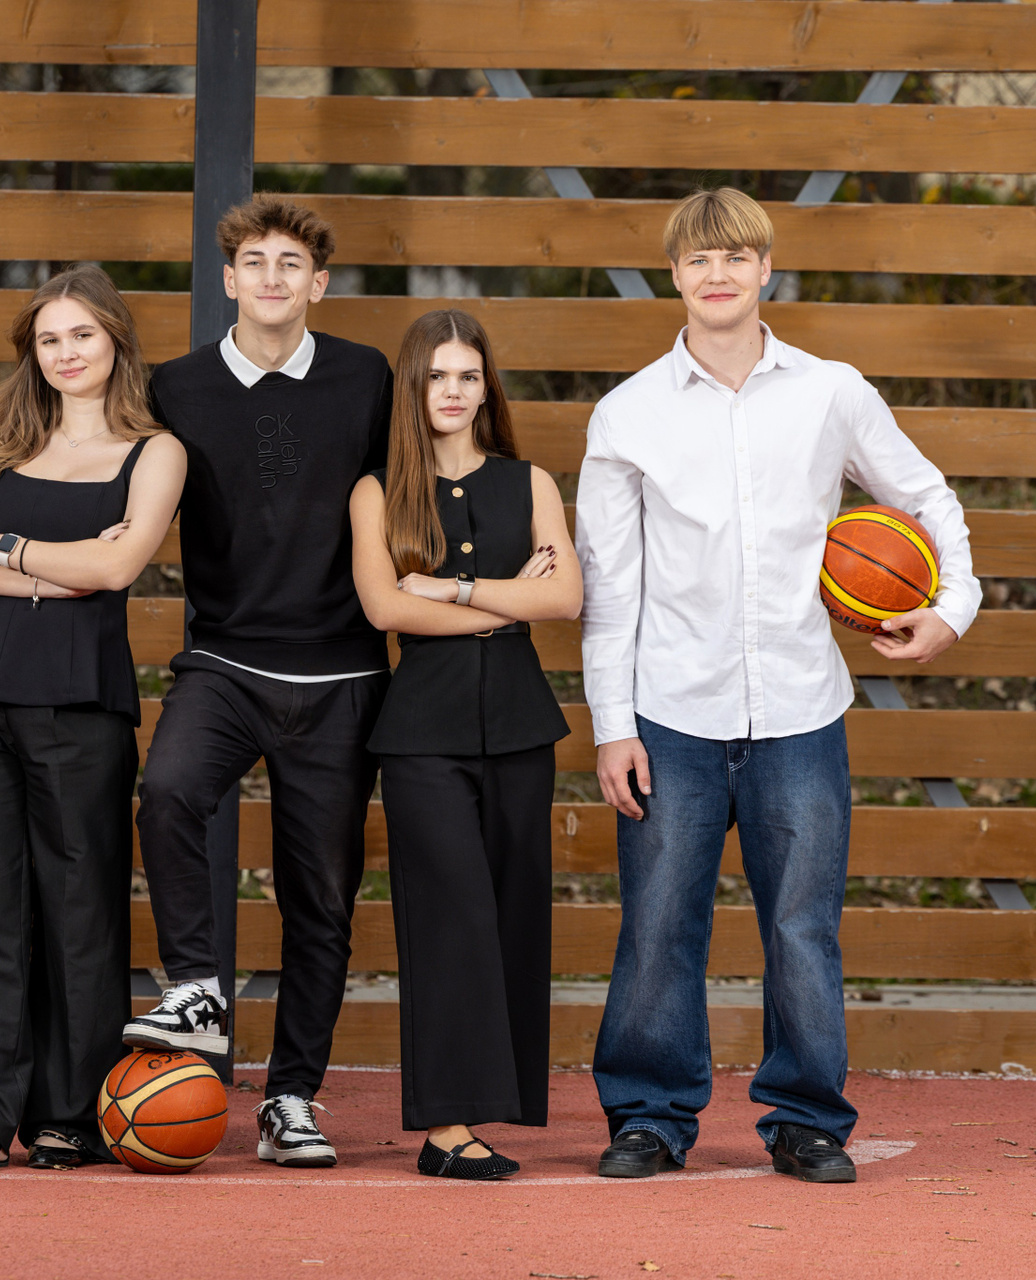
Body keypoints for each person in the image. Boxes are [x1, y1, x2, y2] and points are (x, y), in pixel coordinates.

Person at [577, 188, 979, 1183]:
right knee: (658, 925)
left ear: (766, 268)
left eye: (736, 257)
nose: (717, 273)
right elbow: (611, 588)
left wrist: (953, 606)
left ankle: (806, 1118)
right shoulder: (627, 414)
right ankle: (649, 1117)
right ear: (675, 275)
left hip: (800, 709)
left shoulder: (832, 392)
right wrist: (612, 725)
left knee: (802, 928)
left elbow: (924, 494)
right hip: (670, 712)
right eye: (698, 259)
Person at [122, 195, 394, 1168]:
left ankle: (291, 1099)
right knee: (167, 789)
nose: (273, 278)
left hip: (344, 669)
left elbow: (409, 492)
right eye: (256, 262)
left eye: (292, 264)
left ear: (317, 282)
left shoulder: (366, 376)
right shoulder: (176, 387)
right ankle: (196, 984)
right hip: (227, 659)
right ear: (229, 278)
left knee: (320, 897)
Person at [0, 266, 186, 1174]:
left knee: (80, 909)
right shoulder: (0, 444)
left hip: (81, 699)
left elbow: (117, 570)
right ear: (31, 354)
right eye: (49, 340)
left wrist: (6, 549)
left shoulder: (155, 452)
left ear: (115, 339)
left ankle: (68, 1113)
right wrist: (54, 570)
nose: (66, 353)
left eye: (82, 335)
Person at [350, 309, 580, 1181]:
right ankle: (445, 1129)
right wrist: (504, 599)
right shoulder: (376, 492)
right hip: (423, 736)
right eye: (437, 376)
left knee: (514, 914)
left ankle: (492, 1107)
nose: (453, 391)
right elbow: (386, 608)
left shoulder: (531, 483)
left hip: (520, 727)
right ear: (413, 387)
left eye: (468, 376)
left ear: (488, 388)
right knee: (450, 919)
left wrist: (450, 590)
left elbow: (563, 599)